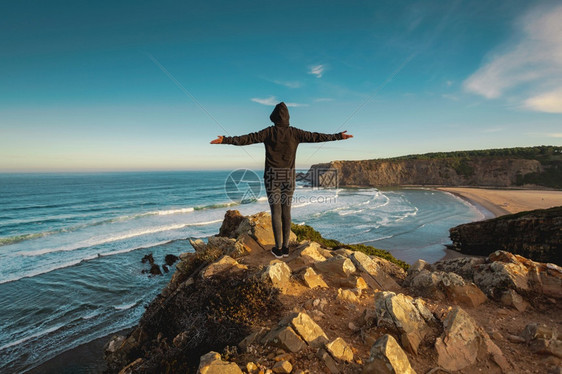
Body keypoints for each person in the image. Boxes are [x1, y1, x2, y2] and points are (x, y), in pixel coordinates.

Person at [211, 102, 353, 258]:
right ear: (288, 118)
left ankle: (278, 249)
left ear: (274, 117)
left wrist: (225, 139)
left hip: (272, 178)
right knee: (287, 212)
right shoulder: (295, 133)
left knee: (276, 213)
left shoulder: (269, 132)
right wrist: (338, 136)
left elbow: (247, 139)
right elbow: (317, 137)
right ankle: (285, 248)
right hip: (289, 178)